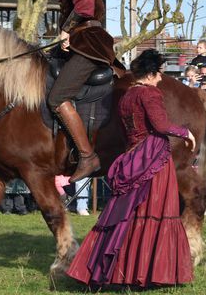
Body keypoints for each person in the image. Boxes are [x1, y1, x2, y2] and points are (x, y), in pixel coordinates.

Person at [67, 49, 196, 288]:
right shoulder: (149, 93)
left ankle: (120, 272)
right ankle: (149, 273)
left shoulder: (128, 95)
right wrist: (185, 132)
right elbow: (160, 124)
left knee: (128, 214)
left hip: (133, 156)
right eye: (158, 73)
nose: (160, 79)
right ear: (149, 74)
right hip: (153, 158)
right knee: (156, 212)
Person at [46, 0, 124, 184]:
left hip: (88, 46)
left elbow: (85, 7)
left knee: (57, 98)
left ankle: (87, 156)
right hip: (86, 43)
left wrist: (66, 30)